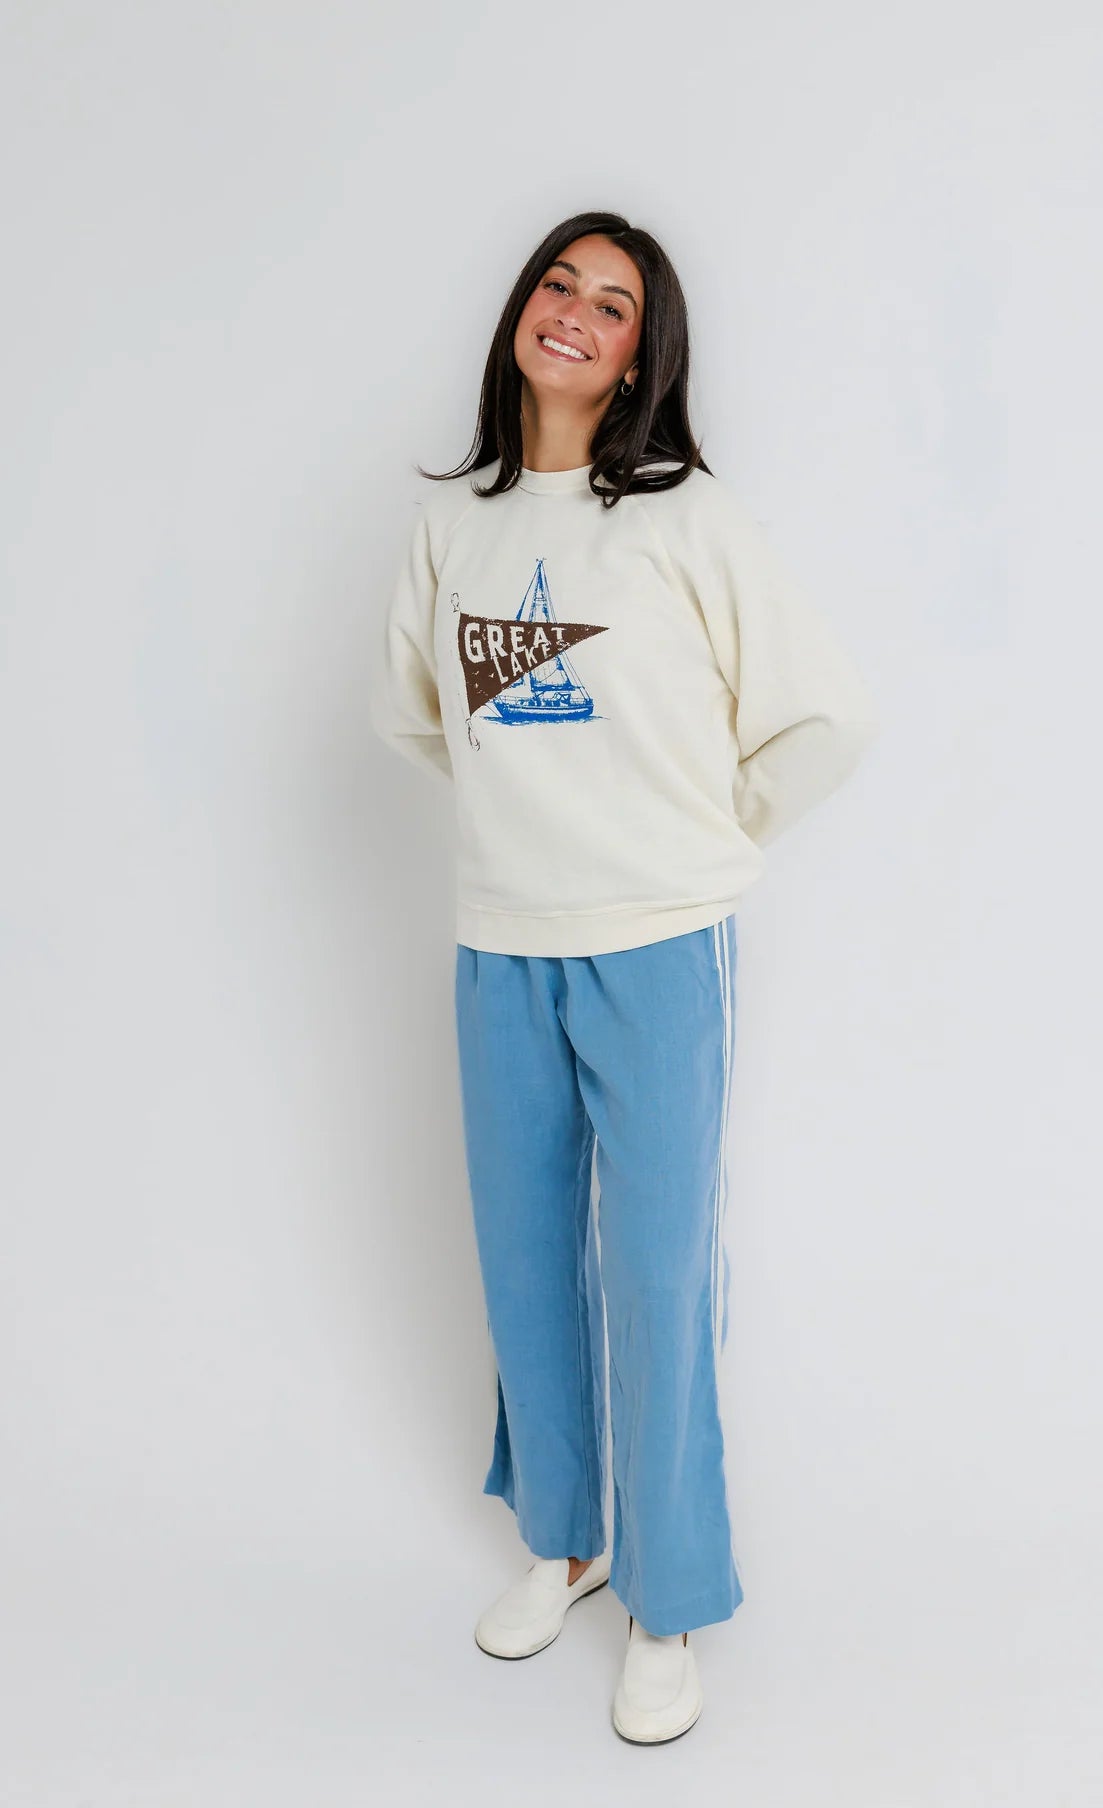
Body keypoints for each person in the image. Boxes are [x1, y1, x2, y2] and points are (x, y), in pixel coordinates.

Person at [370, 210, 879, 1744]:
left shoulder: (684, 519)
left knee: (655, 1275)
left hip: (658, 944)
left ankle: (668, 1595)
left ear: (642, 355)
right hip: (498, 941)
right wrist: (533, 821)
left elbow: (825, 718)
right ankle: (568, 1541)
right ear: (521, 312)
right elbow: (417, 717)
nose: (575, 314)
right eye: (558, 285)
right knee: (525, 1259)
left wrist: (695, 839)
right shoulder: (453, 524)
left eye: (613, 304)